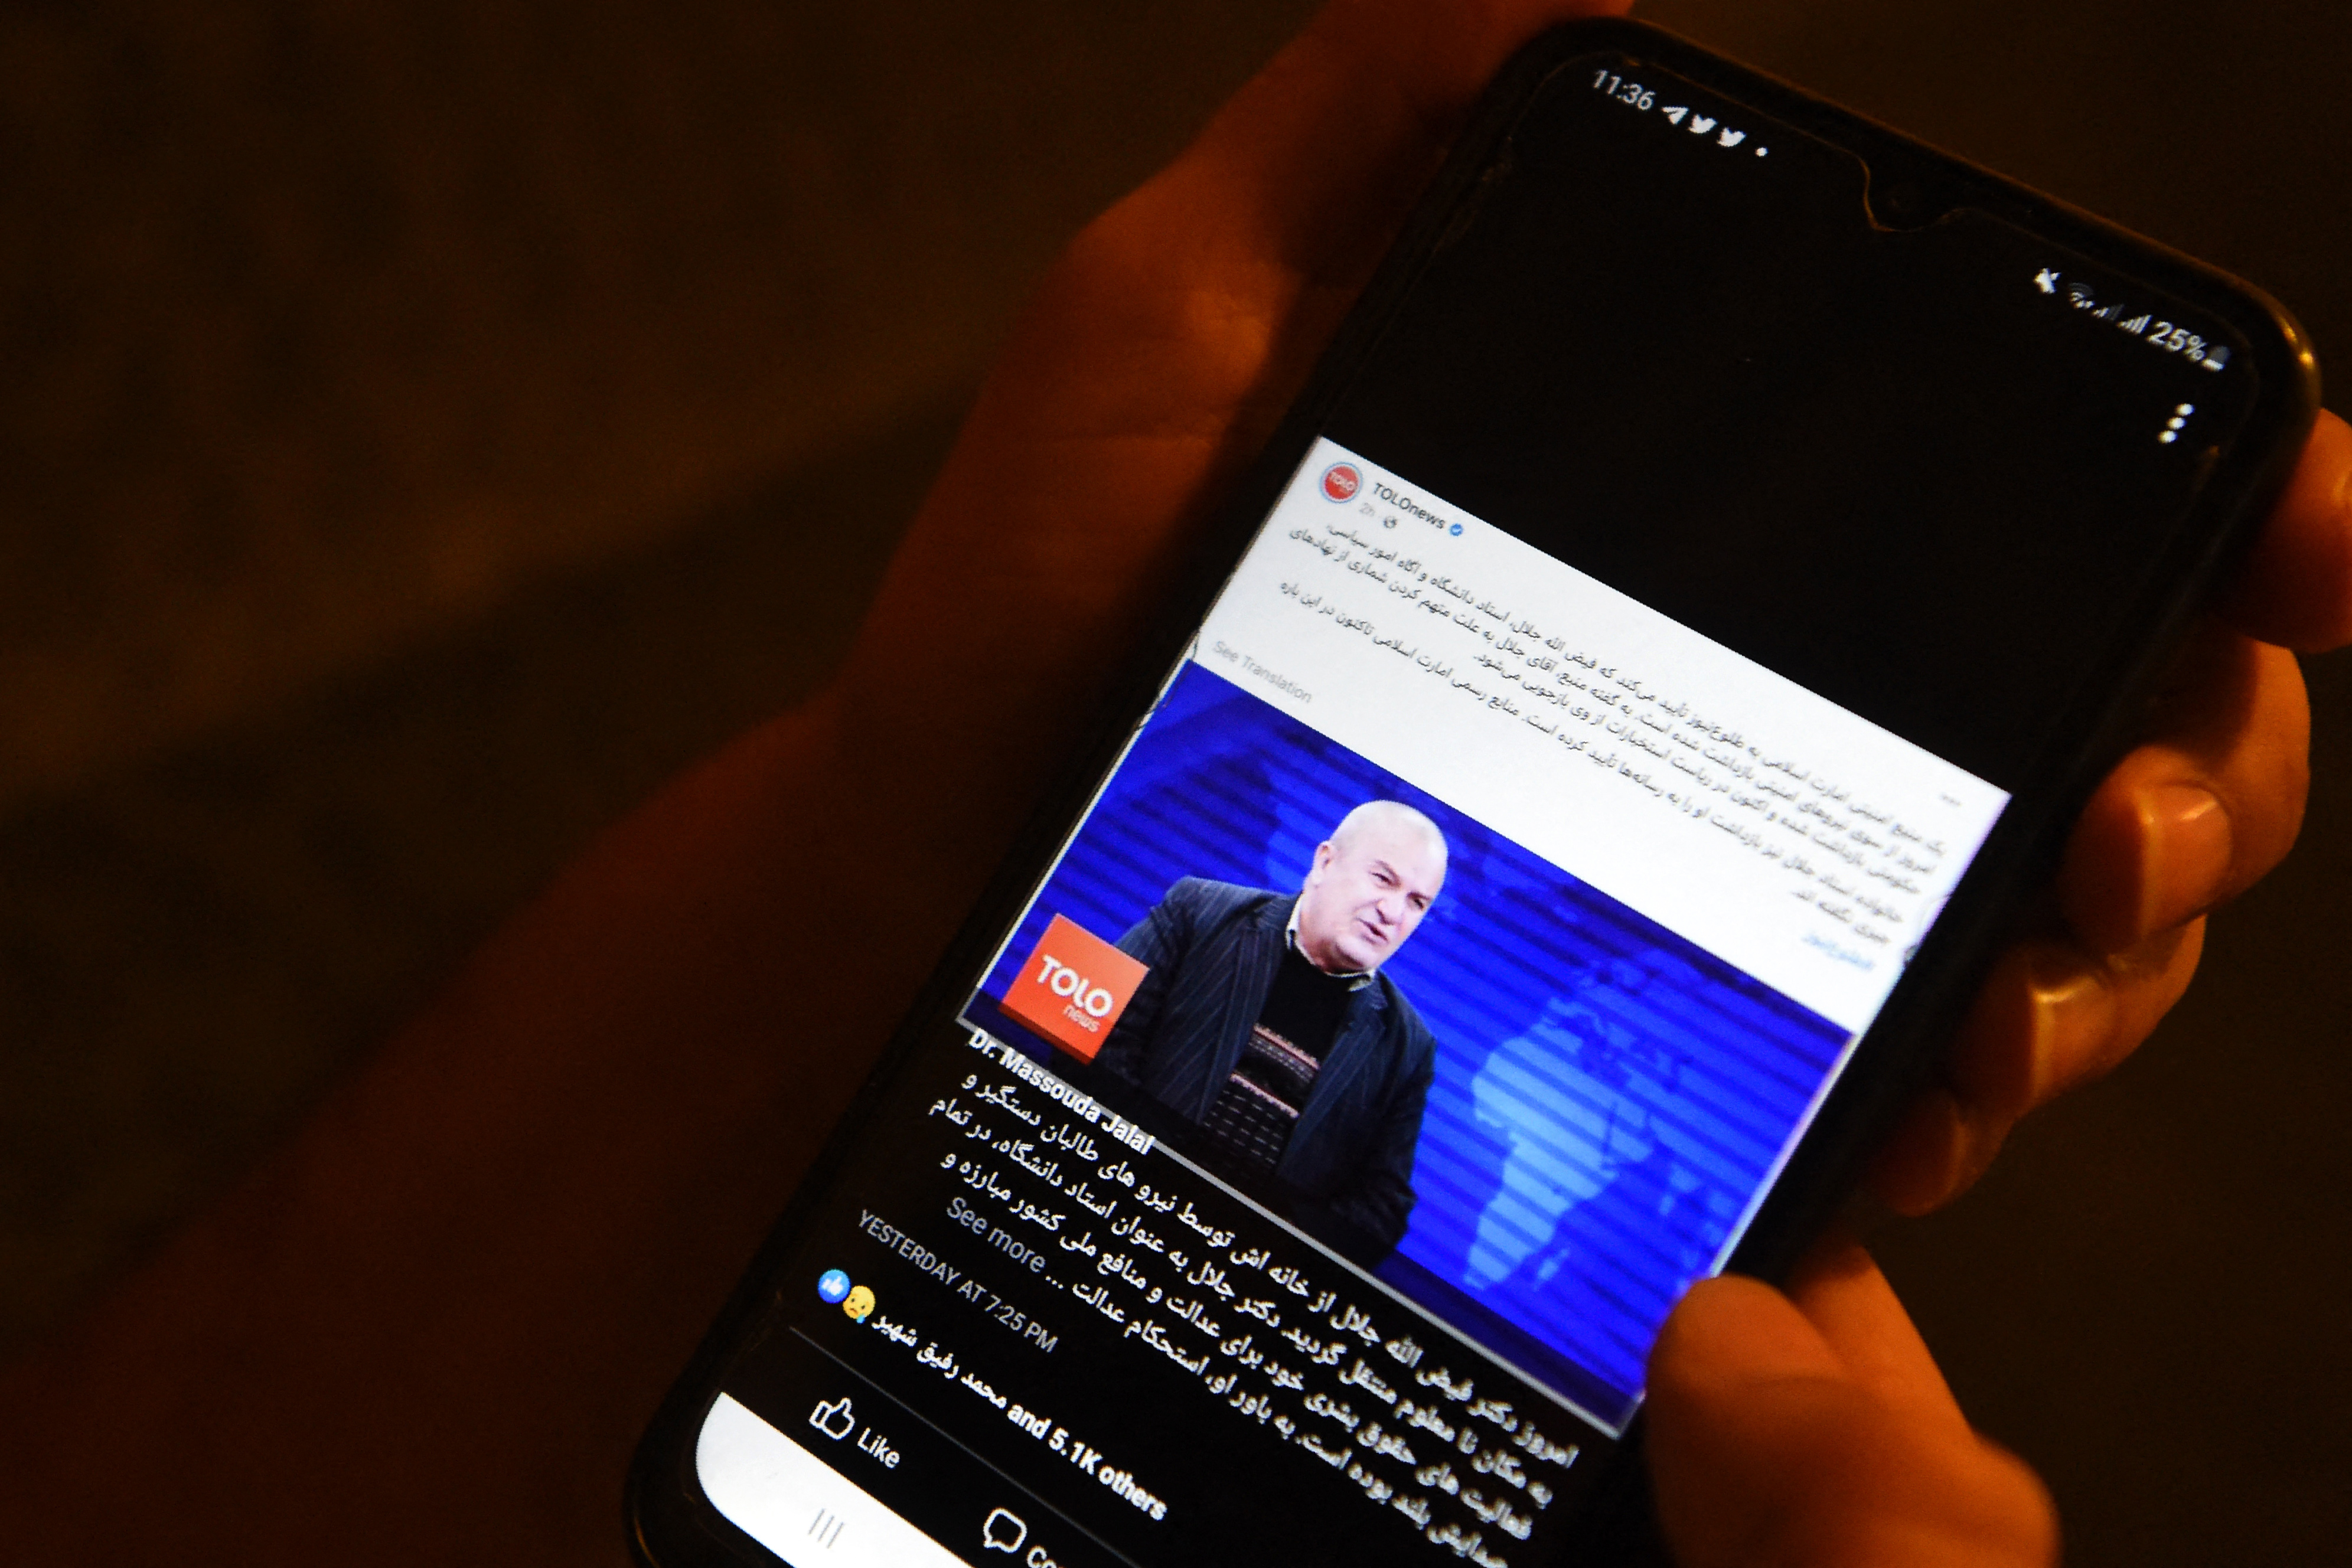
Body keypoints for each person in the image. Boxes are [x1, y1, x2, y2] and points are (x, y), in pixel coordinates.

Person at [2, 3, 2346, 1565]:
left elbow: (1355, 1217)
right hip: (956, 1312)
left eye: (1417, 889)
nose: (1386, 901)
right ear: (1319, 851)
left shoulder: (1406, 1057)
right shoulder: (1184, 927)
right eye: (1372, 854)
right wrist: (888, 836)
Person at [1092, 801, 1447, 1254]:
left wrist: (1255, 1247)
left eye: (1417, 902)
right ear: (1324, 863)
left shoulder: (1408, 1047)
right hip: (1112, 1196)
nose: (1393, 912)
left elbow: (1379, 1210)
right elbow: (1093, 1035)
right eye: (1382, 879)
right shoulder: (1198, 911)